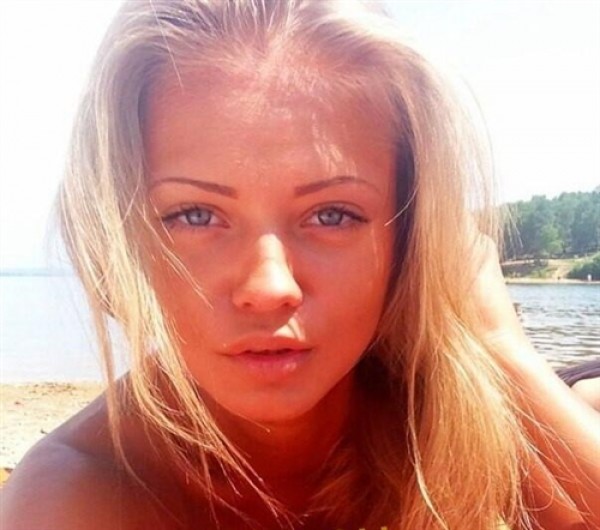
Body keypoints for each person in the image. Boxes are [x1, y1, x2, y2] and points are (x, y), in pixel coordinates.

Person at [1, 1, 599, 528]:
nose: (269, 287)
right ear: (119, 234)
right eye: (195, 215)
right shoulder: (72, 499)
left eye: (333, 215)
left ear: (411, 236)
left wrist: (499, 347)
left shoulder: (443, 413)